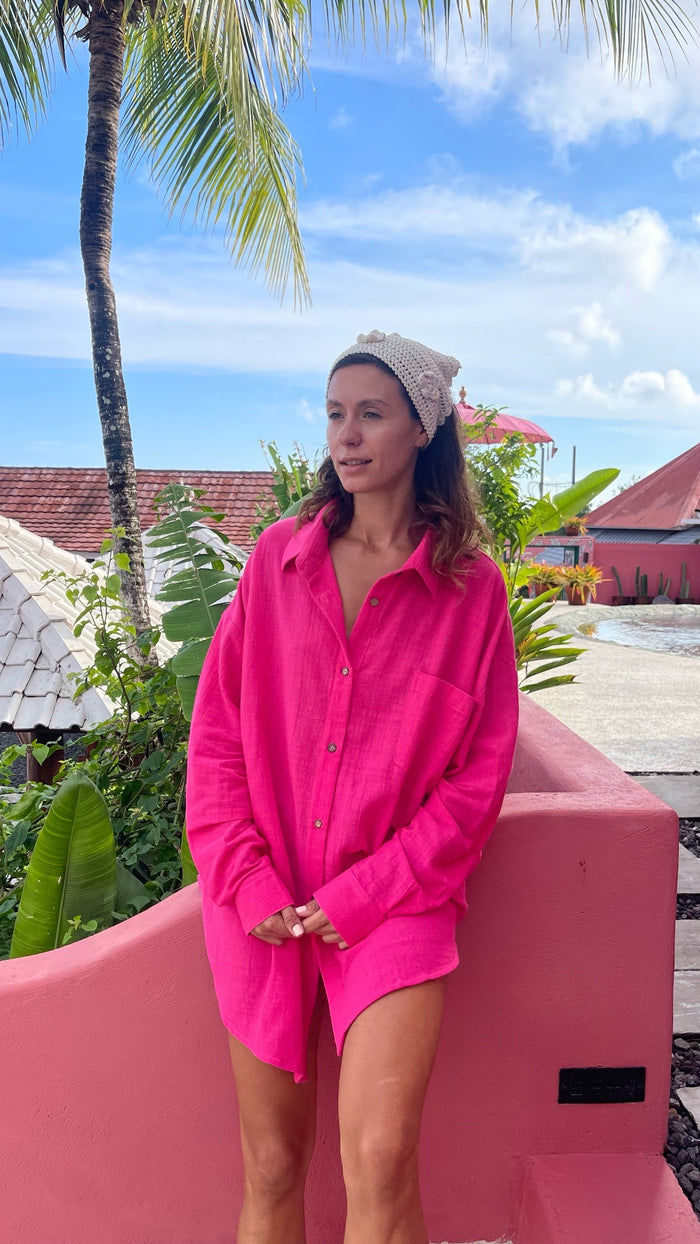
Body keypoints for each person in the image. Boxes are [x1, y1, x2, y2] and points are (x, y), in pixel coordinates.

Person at [185, 329, 520, 1244]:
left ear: (423, 429)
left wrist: (369, 891)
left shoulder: (471, 591)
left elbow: (476, 781)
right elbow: (218, 737)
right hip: (263, 896)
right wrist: (244, 874)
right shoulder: (275, 562)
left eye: (371, 414)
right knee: (272, 1163)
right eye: (336, 414)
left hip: (396, 900)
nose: (347, 434)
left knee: (379, 1159)